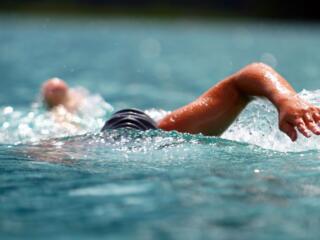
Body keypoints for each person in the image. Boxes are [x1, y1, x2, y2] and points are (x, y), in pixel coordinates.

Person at [42, 63, 320, 142]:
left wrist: (287, 100)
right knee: (62, 128)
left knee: (65, 128)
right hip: (113, 135)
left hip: (145, 125)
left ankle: (61, 102)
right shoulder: (71, 150)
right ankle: (60, 103)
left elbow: (249, 75)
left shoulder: (169, 129)